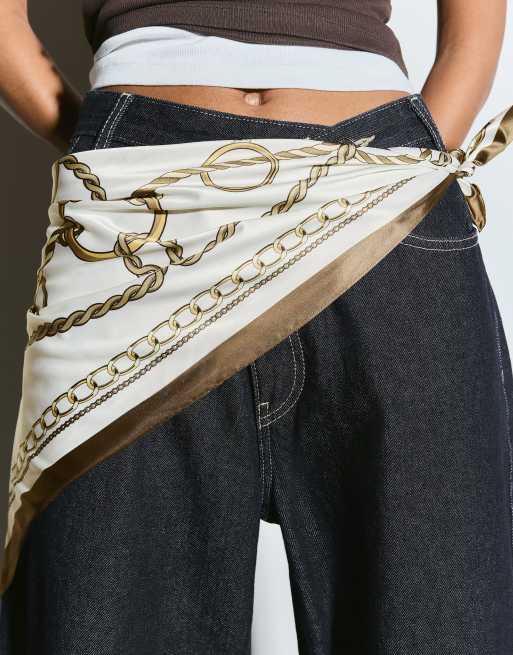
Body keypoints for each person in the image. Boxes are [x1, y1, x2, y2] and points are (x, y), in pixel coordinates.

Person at [0, 1, 512, 653]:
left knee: (438, 625)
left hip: (379, 199)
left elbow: (473, 32)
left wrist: (402, 177)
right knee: (97, 622)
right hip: (139, 208)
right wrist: (119, 162)